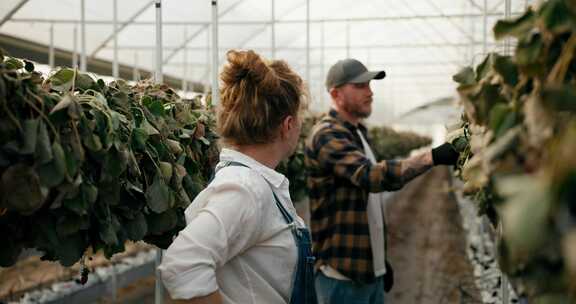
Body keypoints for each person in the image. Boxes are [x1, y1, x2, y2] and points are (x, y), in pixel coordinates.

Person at [159, 50, 317, 304]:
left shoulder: (254, 182)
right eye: (299, 118)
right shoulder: (246, 189)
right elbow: (183, 264)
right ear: (288, 125)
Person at [305, 58, 459, 304]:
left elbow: (368, 206)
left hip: (367, 271)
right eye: (360, 86)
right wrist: (432, 157)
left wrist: (378, 261)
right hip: (342, 279)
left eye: (369, 85)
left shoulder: (358, 133)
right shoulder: (326, 134)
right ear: (336, 93)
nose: (370, 92)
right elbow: (370, 176)